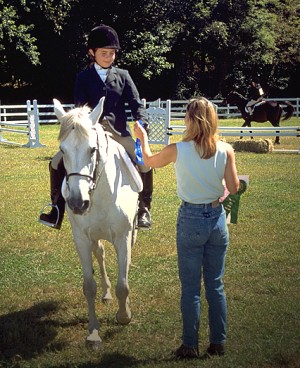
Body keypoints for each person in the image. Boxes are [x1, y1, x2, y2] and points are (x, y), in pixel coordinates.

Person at [134, 97, 240, 359]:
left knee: (191, 287)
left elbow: (147, 161)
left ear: (191, 120)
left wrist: (142, 136)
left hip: (190, 218)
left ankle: (190, 344)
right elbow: (235, 187)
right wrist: (219, 197)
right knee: (215, 285)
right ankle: (218, 342)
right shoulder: (225, 149)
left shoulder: (178, 149)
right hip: (216, 219)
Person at [39, 24, 153, 230]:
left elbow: (137, 104)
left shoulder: (123, 76)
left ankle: (144, 208)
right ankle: (56, 209)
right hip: (90, 133)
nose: (109, 57)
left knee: (144, 162)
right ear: (92, 53)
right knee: (56, 163)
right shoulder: (82, 78)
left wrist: (141, 122)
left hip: (119, 133)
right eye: (104, 53)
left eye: (112, 53)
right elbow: (80, 109)